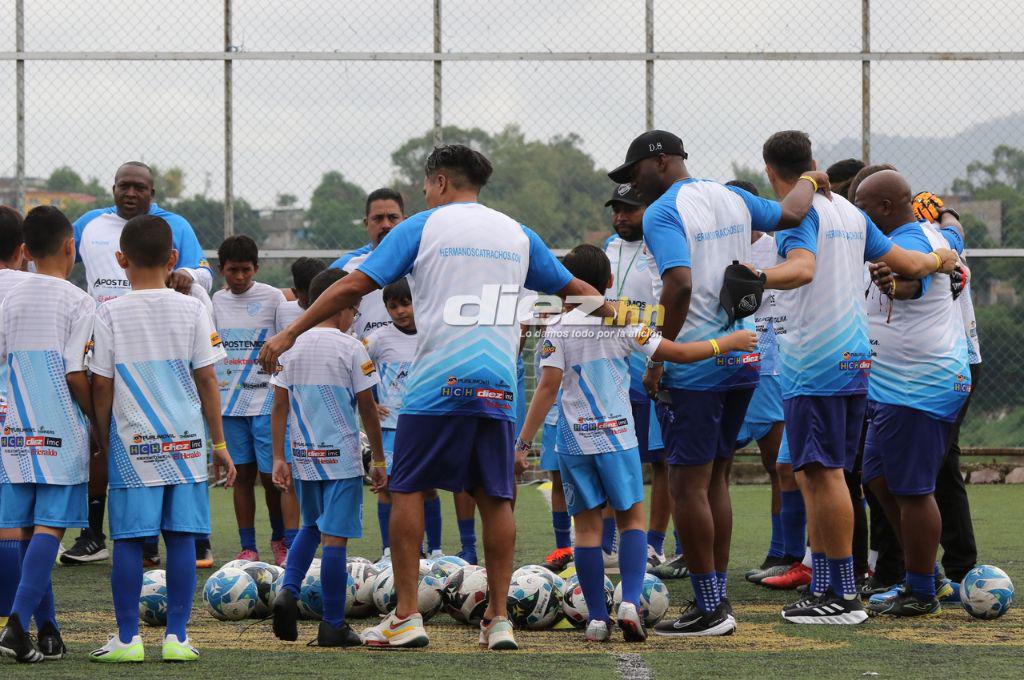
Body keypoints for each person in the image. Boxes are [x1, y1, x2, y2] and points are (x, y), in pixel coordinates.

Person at [258, 144, 606, 651]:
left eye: (424, 185)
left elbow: (353, 286)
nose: (423, 193)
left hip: (436, 380)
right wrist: (642, 330)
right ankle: (500, 618)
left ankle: (405, 616)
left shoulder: (423, 226)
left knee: (407, 489)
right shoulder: (517, 232)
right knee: (496, 496)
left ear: (440, 181)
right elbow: (584, 295)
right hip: (497, 382)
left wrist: (290, 334)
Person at [609, 130, 825, 636]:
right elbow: (792, 213)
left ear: (659, 161)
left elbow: (679, 284)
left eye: (633, 172)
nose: (630, 185)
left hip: (695, 365)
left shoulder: (665, 211)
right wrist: (812, 178)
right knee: (714, 481)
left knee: (688, 485)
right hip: (740, 358)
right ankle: (716, 598)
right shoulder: (732, 197)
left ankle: (710, 607)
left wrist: (661, 355)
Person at [756, 131, 957, 624]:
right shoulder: (851, 213)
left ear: (770, 171)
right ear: (813, 162)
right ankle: (827, 585)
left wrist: (754, 277)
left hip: (816, 361)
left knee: (823, 476)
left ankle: (842, 594)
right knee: (822, 474)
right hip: (854, 359)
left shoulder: (797, 215)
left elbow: (801, 270)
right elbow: (908, 263)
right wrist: (942, 257)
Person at [518, 244, 757, 642]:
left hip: (573, 442)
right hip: (618, 438)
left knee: (588, 531)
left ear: (565, 288)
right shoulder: (624, 319)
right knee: (631, 522)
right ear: (610, 282)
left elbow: (546, 388)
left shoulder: (557, 328)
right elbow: (675, 352)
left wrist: (523, 445)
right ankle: (630, 602)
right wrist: (725, 344)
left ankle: (596, 619)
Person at [88, 215, 235, 663]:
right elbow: (207, 379)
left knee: (130, 541)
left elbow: (101, 383)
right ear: (173, 259)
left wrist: (101, 434)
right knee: (183, 539)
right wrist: (220, 445)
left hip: (134, 447)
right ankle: (176, 637)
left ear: (120, 259)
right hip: (187, 446)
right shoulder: (193, 308)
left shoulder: (108, 310)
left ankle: (128, 639)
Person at [64, 161, 214, 567]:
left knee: (174, 428)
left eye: (140, 188)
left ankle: (189, 537)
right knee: (104, 436)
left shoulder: (175, 224)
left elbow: (202, 272)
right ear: (113, 188)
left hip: (160, 336)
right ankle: (95, 534)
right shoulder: (91, 224)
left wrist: (185, 276)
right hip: (108, 338)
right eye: (124, 186)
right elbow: (60, 258)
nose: (131, 194)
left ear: (152, 192)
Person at [855, 170, 971, 616]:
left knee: (914, 489)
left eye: (863, 206)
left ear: (885, 208)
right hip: (895, 383)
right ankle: (928, 575)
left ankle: (922, 590)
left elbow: (911, 284)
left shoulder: (911, 242)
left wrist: (893, 283)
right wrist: (947, 213)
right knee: (877, 475)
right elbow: (955, 231)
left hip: (919, 383)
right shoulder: (935, 232)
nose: (858, 214)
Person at [269, 268, 386, 647]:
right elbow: (368, 409)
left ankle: (288, 590)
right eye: (353, 309)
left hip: (304, 456)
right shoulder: (352, 348)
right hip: (342, 459)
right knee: (335, 541)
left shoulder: (292, 345)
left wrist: (278, 457)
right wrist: (380, 461)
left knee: (309, 527)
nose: (353, 317)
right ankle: (333, 624)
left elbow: (279, 406)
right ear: (340, 308)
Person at [0, 206, 95, 663]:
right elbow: (78, 374)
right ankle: (16, 626)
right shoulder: (79, 300)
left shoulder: (11, 298)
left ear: (27, 250)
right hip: (60, 427)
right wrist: (97, 420)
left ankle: (49, 631)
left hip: (15, 429)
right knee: (50, 529)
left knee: (23, 532)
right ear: (69, 247)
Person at [601, 183, 675, 571]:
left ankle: (656, 544)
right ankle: (608, 542)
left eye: (629, 209)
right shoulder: (609, 248)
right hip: (613, 366)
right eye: (617, 209)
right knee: (612, 450)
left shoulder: (664, 245)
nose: (621, 216)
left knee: (662, 459)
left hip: (653, 362)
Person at [213, 235, 297, 566]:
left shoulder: (274, 298)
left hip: (265, 401)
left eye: (246, 270)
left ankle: (282, 540)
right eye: (233, 271)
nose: (240, 277)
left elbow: (286, 342)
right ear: (222, 270)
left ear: (256, 268)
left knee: (272, 476)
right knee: (241, 476)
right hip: (230, 404)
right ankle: (248, 546)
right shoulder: (215, 302)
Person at [366, 279, 445, 560]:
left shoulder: (432, 334)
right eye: (393, 306)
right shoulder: (378, 339)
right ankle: (389, 550)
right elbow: (357, 366)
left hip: (424, 425)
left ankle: (434, 549)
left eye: (406, 303)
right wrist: (371, 402)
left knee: (427, 487)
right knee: (386, 487)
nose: (401, 311)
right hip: (390, 428)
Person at [334, 188, 406, 340]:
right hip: (363, 359)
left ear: (404, 221)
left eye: (393, 218)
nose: (386, 224)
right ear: (366, 223)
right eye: (378, 218)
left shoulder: (422, 263)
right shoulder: (347, 268)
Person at [276, 257, 327, 332]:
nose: (313, 304)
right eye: (308, 301)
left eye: (318, 297)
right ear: (295, 293)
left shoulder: (337, 311)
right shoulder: (283, 311)